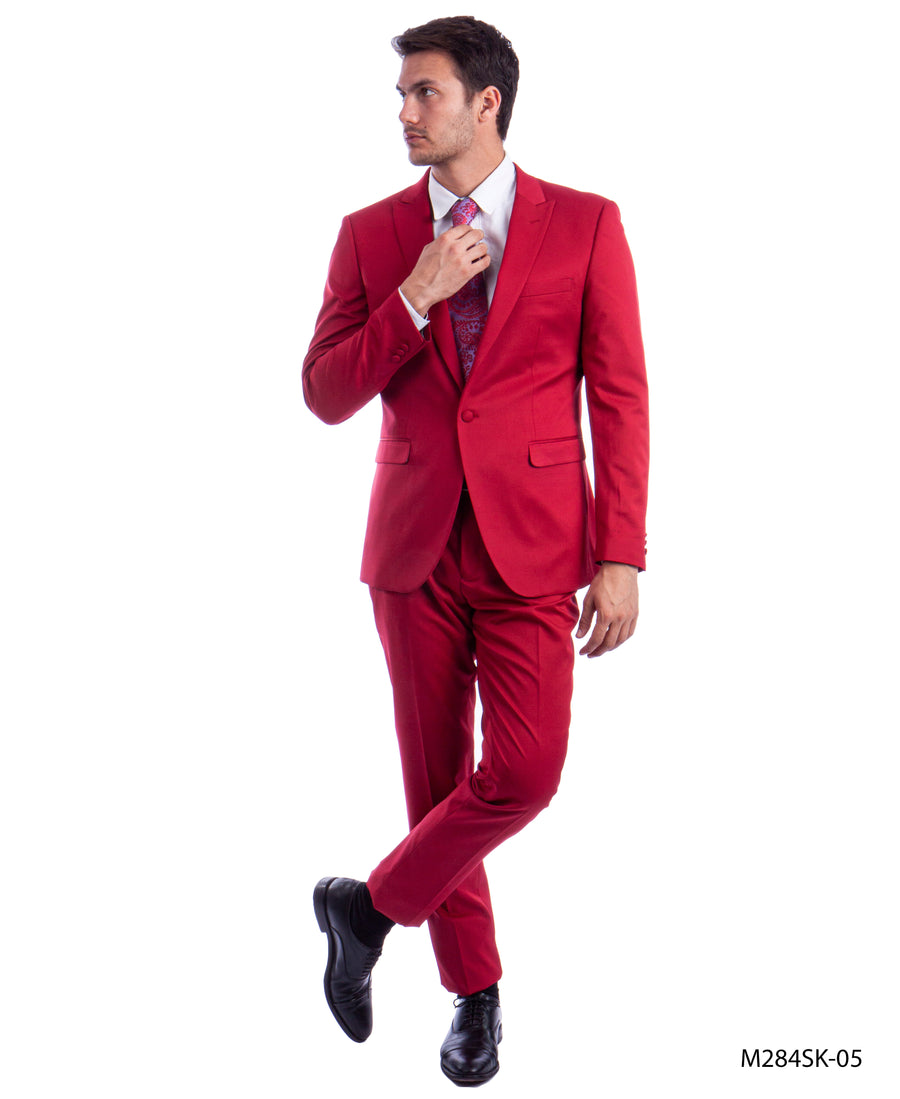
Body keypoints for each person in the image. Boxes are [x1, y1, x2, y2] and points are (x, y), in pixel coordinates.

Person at [303, 15, 649, 1086]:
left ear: (486, 102)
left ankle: (366, 910)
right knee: (437, 779)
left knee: (525, 773)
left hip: (534, 548)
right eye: (402, 95)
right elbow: (324, 394)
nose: (405, 113)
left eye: (425, 93)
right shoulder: (370, 235)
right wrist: (415, 295)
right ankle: (475, 994)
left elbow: (621, 397)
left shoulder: (586, 224)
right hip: (411, 550)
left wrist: (621, 553)